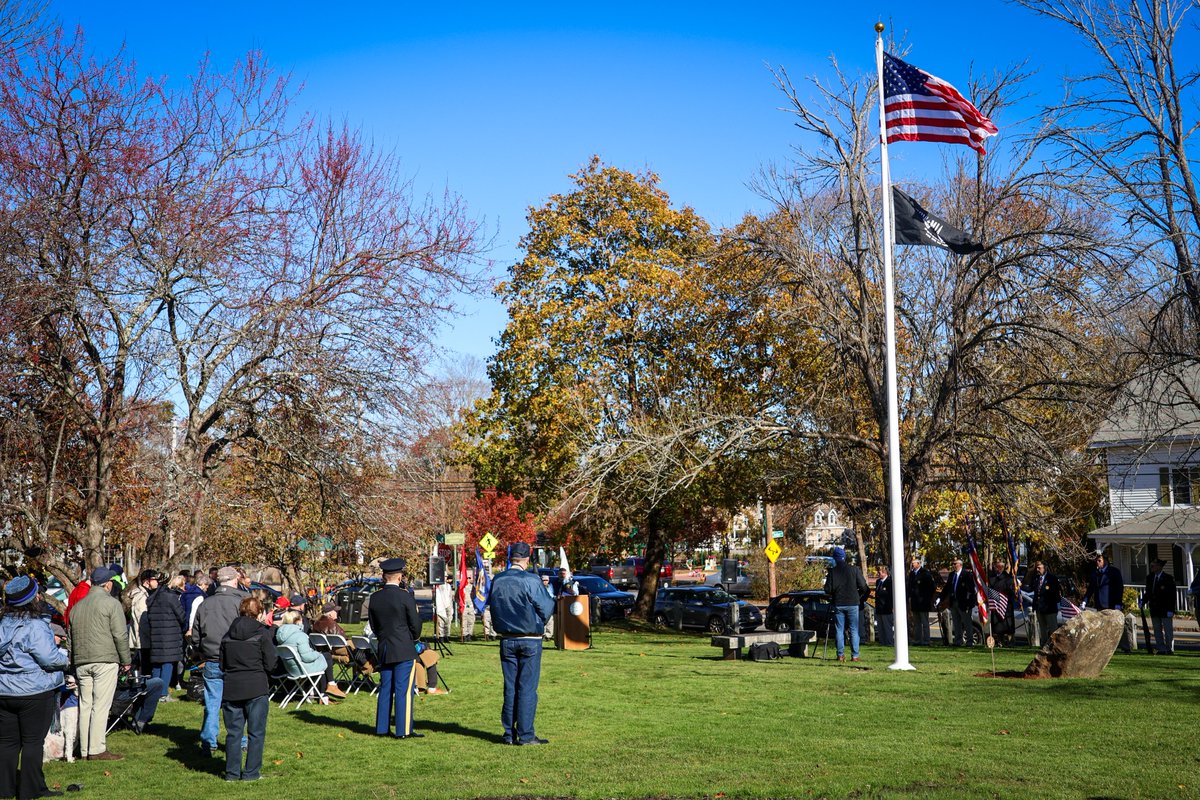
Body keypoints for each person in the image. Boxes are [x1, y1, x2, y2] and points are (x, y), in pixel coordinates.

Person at [0, 576, 70, 799]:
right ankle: (30, 789)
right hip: (33, 691)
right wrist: (65, 659)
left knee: (8, 743)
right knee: (32, 742)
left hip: (4, 690)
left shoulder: (2, 624)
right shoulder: (35, 625)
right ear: (33, 598)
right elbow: (49, 658)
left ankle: (5, 788)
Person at [488, 542, 556, 745]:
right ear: (526, 560)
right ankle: (525, 735)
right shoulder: (531, 580)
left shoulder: (498, 579)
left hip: (507, 638)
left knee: (510, 687)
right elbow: (546, 606)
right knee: (526, 688)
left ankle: (509, 733)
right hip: (529, 638)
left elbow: (493, 606)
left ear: (511, 559)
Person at [67, 565, 130, 762]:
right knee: (100, 705)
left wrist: (72, 662)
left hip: (81, 661)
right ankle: (97, 749)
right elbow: (120, 635)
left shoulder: (77, 607)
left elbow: (70, 639)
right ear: (108, 584)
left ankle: (84, 749)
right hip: (104, 659)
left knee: (85, 704)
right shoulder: (111, 604)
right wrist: (126, 660)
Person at [191, 565, 249, 756]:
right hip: (236, 659)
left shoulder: (206, 603)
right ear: (234, 581)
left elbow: (196, 634)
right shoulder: (242, 601)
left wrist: (200, 652)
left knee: (213, 702)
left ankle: (209, 740)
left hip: (213, 657)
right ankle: (239, 740)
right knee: (237, 702)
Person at [219, 596, 278, 782]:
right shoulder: (262, 633)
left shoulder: (227, 635)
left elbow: (222, 664)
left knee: (234, 733)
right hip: (255, 687)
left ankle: (232, 773)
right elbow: (271, 663)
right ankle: (251, 773)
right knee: (256, 733)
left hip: (233, 687)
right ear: (259, 613)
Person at [368, 558, 422, 738]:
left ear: (384, 577)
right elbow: (415, 624)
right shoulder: (405, 596)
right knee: (403, 691)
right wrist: (413, 638)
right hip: (403, 648)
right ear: (399, 577)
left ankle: (382, 728)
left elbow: (374, 626)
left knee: (385, 689)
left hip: (384, 647)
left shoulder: (375, 598)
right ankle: (403, 729)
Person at [274, 610, 345, 701]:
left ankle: (325, 690)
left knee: (323, 658)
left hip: (290, 668)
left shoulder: (281, 635)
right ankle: (327, 690)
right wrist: (317, 653)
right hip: (301, 668)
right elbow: (307, 657)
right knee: (324, 658)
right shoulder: (300, 636)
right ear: (297, 621)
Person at [823, 547, 868, 662]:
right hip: (853, 602)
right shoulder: (854, 570)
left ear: (835, 558)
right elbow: (863, 586)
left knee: (839, 629)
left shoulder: (832, 572)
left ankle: (840, 655)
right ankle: (855, 655)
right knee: (853, 629)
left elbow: (827, 589)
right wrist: (858, 595)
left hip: (839, 603)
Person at [147, 574, 186, 699]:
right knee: (167, 665)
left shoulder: (152, 597)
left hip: (156, 634)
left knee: (157, 665)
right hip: (170, 635)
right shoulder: (171, 597)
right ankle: (163, 693)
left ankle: (153, 692)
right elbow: (182, 616)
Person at [124, 569, 157, 673]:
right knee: (144, 669)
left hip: (143, 640)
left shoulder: (146, 595)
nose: (157, 582)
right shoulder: (141, 598)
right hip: (143, 640)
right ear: (147, 582)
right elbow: (143, 621)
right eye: (154, 580)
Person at [940, 558, 976, 647]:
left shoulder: (967, 575)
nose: (953, 565)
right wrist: (940, 598)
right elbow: (947, 588)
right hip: (954, 602)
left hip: (964, 603)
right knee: (956, 623)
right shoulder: (952, 575)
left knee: (967, 623)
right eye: (953, 564)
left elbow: (971, 590)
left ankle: (970, 641)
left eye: (955, 564)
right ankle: (958, 641)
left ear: (960, 565)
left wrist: (968, 603)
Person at [1143, 559, 1176, 654]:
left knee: (1168, 630)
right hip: (1154, 608)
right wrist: (1143, 601)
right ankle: (1161, 648)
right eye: (1151, 566)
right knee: (1157, 630)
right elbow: (1148, 592)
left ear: (1160, 566)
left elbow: (1172, 595)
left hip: (1165, 608)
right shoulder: (1150, 578)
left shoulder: (1168, 578)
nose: (1151, 568)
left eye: (1153, 566)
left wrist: (1171, 609)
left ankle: (1169, 648)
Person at [1030, 561, 1063, 647]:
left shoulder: (1052, 578)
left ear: (1045, 568)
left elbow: (1057, 594)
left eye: (1039, 568)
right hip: (1039, 609)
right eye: (1037, 568)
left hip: (1050, 609)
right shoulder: (1036, 578)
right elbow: (1033, 591)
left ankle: (1055, 646)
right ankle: (1043, 646)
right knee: (1042, 629)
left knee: (1052, 629)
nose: (1037, 570)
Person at [906, 558, 936, 646]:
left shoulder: (925, 573)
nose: (912, 565)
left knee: (924, 622)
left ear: (919, 564)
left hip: (923, 602)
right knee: (917, 622)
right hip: (915, 602)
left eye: (914, 563)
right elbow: (910, 587)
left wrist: (927, 598)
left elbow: (932, 587)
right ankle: (917, 640)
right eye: (912, 563)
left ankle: (926, 640)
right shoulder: (912, 574)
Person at [988, 561, 1017, 646]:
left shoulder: (1009, 578)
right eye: (996, 567)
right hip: (996, 605)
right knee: (998, 626)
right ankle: (1000, 642)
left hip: (1006, 606)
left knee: (1008, 626)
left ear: (1002, 568)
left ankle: (1010, 642)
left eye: (999, 567)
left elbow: (1012, 593)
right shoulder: (991, 578)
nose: (997, 569)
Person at [874, 565, 894, 646]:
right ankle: (882, 642)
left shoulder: (890, 582)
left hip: (886, 608)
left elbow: (890, 595)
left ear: (885, 572)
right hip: (879, 608)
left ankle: (889, 642)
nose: (878, 573)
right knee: (880, 627)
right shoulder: (878, 581)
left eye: (880, 572)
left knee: (887, 627)